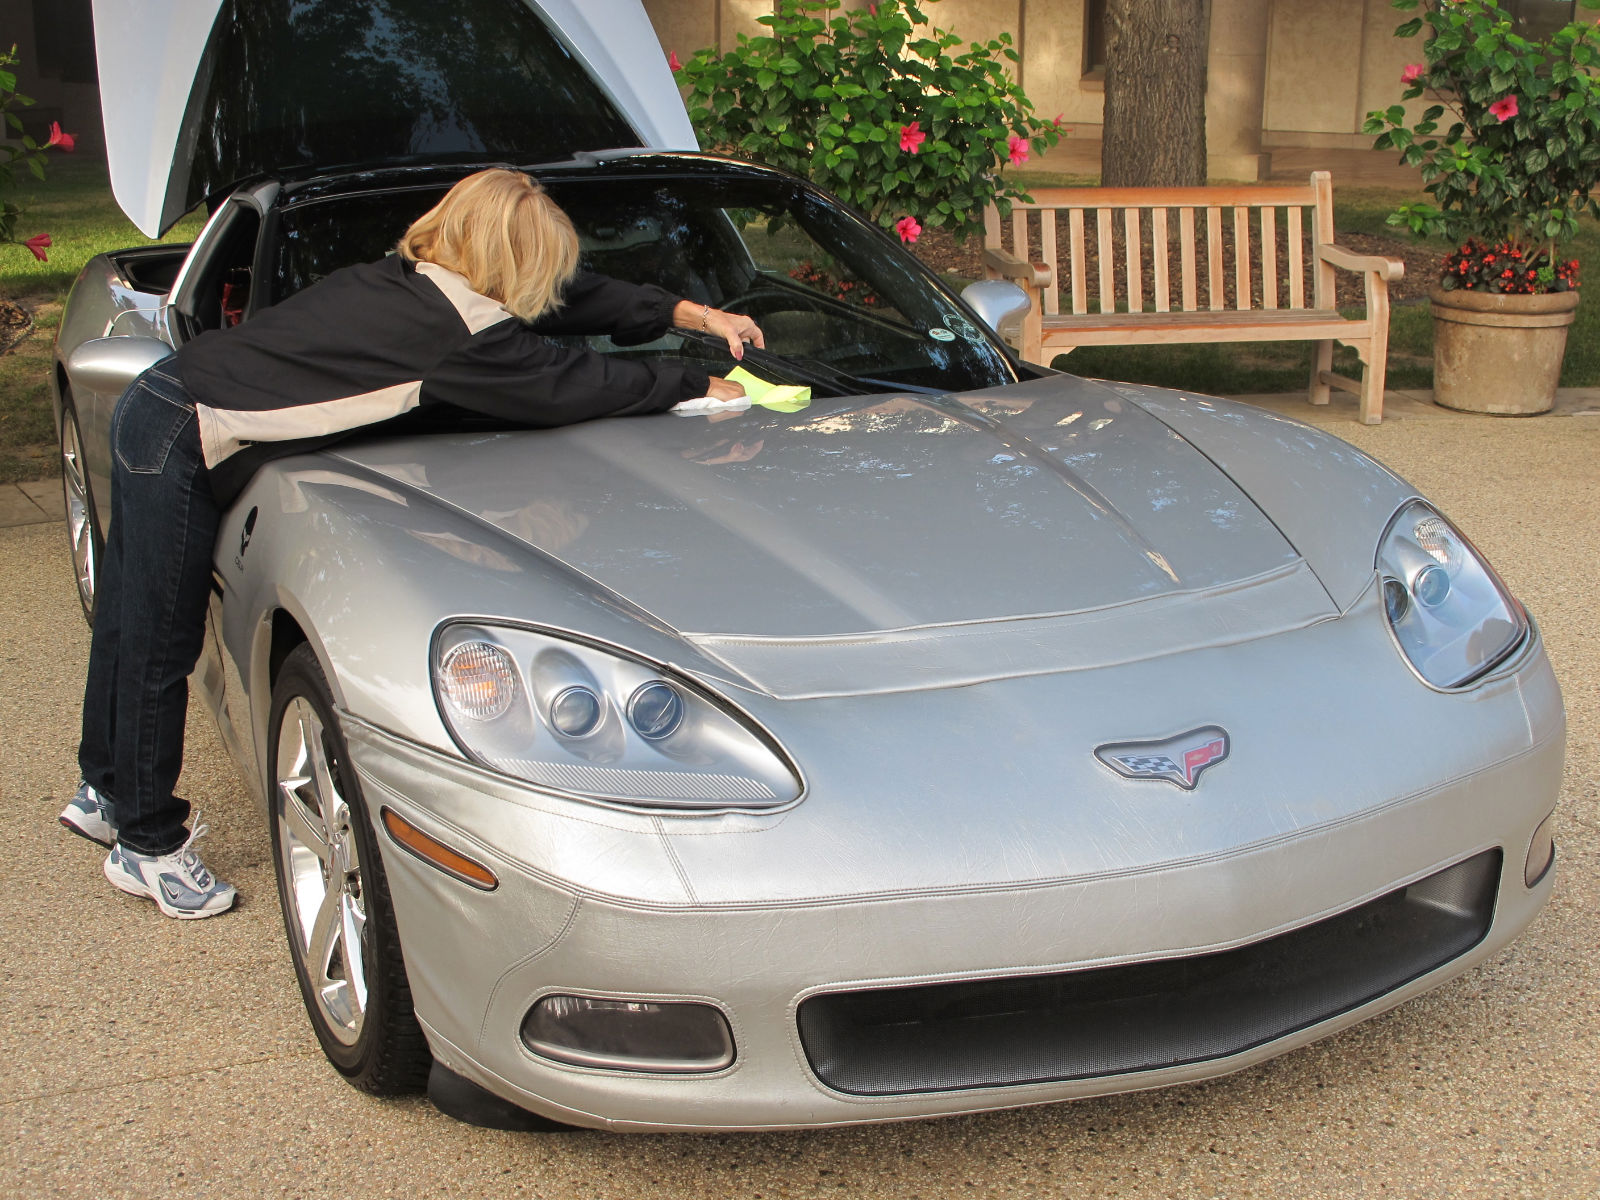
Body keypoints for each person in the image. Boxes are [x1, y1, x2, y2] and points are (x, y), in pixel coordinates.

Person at [59, 168, 763, 918]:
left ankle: (104, 791)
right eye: (540, 261)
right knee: (158, 637)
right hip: (181, 434)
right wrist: (691, 382)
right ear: (510, 261)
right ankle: (148, 843)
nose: (553, 280)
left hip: (160, 403)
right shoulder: (453, 339)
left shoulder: (418, 279)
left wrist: (689, 313)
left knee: (129, 620)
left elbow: (572, 297)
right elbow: (573, 381)